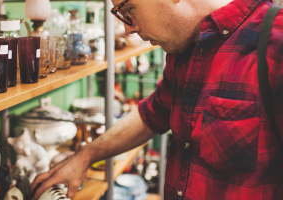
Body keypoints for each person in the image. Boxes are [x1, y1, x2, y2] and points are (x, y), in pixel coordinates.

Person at [30, 0, 283, 199]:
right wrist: (85, 156)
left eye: (128, 9)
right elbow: (153, 113)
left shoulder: (276, 42)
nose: (128, 28)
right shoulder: (186, 45)